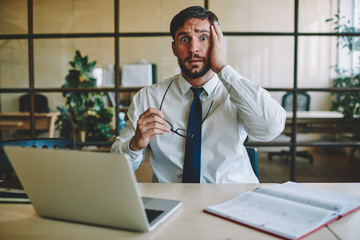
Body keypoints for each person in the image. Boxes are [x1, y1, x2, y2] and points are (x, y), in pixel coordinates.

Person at [111, 6, 286, 183]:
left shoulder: (237, 90)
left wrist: (223, 69)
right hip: (172, 199)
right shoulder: (148, 97)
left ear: (216, 44)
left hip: (232, 196)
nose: (193, 48)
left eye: (203, 38)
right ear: (174, 48)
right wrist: (135, 144)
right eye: (184, 39)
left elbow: (271, 129)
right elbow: (116, 167)